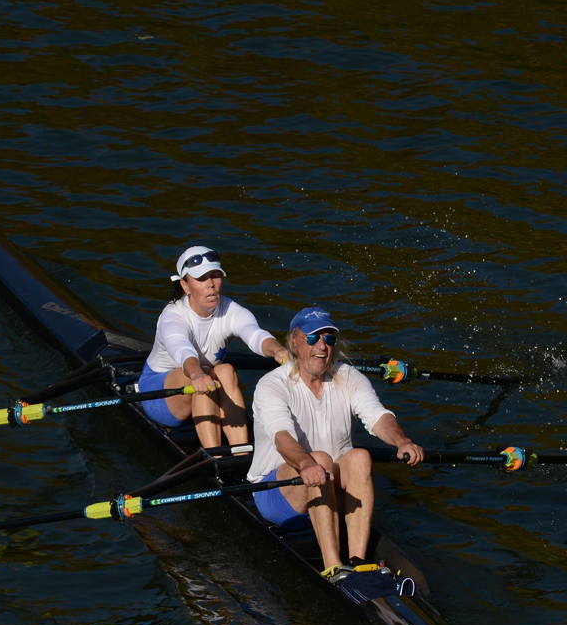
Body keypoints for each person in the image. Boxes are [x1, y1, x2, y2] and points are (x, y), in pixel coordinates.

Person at [246, 307, 425, 581]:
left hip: (328, 483)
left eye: (329, 340)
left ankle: (357, 560)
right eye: (312, 339)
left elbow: (377, 416)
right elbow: (282, 438)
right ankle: (333, 567)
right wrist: (305, 463)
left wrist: (402, 441)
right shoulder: (272, 385)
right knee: (320, 459)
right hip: (279, 493)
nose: (322, 347)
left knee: (360, 457)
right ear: (294, 341)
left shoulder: (349, 377)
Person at [140, 246, 289, 448]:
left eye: (216, 276)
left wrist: (279, 351)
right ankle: (216, 457)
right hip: (160, 395)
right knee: (207, 374)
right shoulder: (173, 317)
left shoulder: (231, 310)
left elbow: (255, 335)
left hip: (205, 381)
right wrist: (195, 374)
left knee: (226, 370)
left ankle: (241, 452)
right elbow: (183, 350)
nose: (211, 285)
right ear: (185, 285)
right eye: (201, 279)